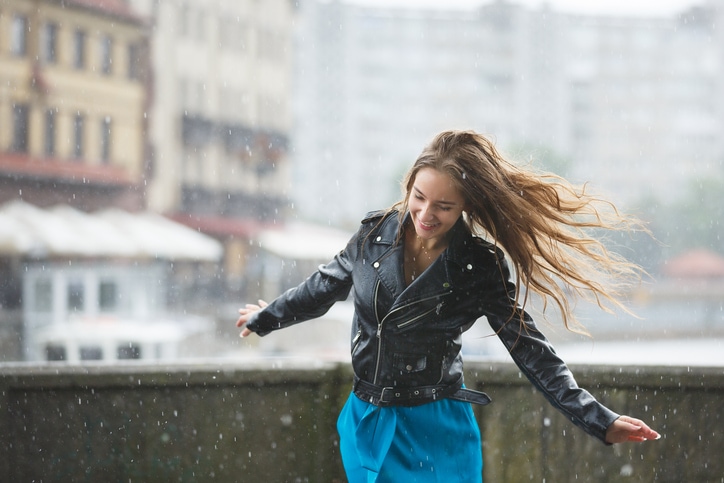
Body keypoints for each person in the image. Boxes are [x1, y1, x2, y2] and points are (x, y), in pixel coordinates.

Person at [236, 130, 660, 482]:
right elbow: (323, 286)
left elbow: (528, 347)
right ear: (409, 186)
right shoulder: (372, 237)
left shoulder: (478, 266)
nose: (425, 214)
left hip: (436, 427)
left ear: (465, 208)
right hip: (368, 422)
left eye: (444, 206)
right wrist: (266, 317)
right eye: (419, 197)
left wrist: (599, 420)